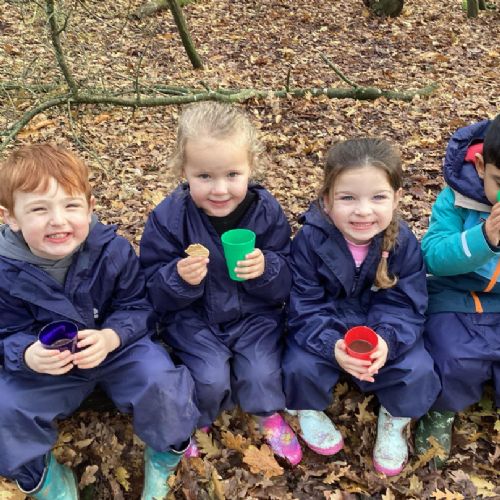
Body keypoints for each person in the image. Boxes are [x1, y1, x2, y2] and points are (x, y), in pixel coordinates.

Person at [0, 144, 200, 500]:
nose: (58, 220)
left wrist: (111, 336)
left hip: (115, 351)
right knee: (4, 407)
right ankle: (44, 479)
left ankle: (163, 457)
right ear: (10, 217)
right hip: (46, 368)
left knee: (161, 380)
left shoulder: (112, 250)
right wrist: (27, 354)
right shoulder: (4, 270)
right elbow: (5, 333)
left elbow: (138, 305)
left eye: (71, 206)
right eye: (39, 209)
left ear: (90, 207)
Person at [139, 101, 302, 465]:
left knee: (261, 370)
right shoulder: (169, 218)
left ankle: (266, 414)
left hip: (254, 316)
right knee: (210, 377)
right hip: (194, 320)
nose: (220, 189)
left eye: (232, 174)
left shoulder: (266, 211)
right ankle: (199, 421)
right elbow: (149, 286)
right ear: (183, 170)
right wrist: (177, 278)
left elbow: (289, 274)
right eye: (204, 177)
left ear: (251, 168)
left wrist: (268, 268)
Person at [282, 137, 441, 476]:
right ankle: (307, 409)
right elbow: (304, 306)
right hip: (327, 325)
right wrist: (331, 345)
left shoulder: (402, 243)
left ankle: (395, 418)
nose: (363, 211)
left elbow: (406, 305)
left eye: (378, 197)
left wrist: (386, 340)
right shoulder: (310, 240)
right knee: (297, 365)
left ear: (396, 198)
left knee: (418, 370)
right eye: (348, 198)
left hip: (378, 328)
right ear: (327, 201)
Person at [415, 114, 500, 468]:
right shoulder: (456, 199)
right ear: (480, 166)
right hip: (457, 297)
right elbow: (432, 256)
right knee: (451, 357)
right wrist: (484, 238)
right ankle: (441, 410)